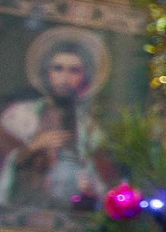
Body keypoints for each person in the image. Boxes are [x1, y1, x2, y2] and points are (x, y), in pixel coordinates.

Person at [0, 30, 116, 213]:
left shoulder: (89, 128)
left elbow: (102, 181)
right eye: (58, 68)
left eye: (74, 70)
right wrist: (32, 148)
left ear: (84, 77)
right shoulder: (18, 116)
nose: (65, 78)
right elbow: (4, 163)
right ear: (47, 73)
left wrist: (90, 188)